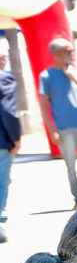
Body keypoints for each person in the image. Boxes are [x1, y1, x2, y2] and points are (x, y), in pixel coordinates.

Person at [38, 37, 77, 210]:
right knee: (71, 166)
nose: (72, 54)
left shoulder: (74, 72)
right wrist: (52, 130)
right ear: (57, 53)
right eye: (68, 51)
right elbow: (43, 106)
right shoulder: (46, 76)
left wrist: (73, 77)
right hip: (65, 129)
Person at [0, 42, 19, 244]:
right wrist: (16, 137)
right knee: (1, 182)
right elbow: (8, 111)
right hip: (1, 140)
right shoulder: (4, 78)